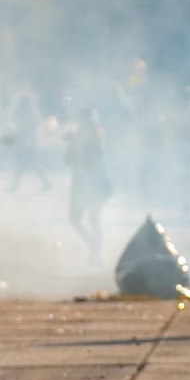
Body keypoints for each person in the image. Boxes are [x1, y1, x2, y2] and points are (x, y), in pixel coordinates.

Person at [65, 107, 112, 265]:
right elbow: (67, 159)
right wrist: (72, 144)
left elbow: (92, 158)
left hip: (93, 183)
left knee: (93, 219)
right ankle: (93, 245)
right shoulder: (79, 136)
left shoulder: (96, 135)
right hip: (80, 183)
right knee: (76, 218)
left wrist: (75, 144)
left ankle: (95, 253)